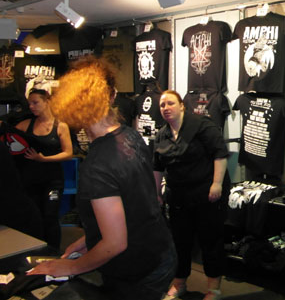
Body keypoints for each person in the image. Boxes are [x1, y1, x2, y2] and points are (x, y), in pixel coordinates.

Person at [27, 57, 176, 300]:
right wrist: (91, 238)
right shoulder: (130, 136)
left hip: (138, 269)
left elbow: (115, 243)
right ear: (113, 94)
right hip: (160, 252)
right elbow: (134, 205)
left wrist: (71, 267)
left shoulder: (97, 164)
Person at [154, 90, 230, 300]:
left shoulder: (202, 125)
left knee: (210, 241)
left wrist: (216, 184)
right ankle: (179, 283)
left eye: (170, 103)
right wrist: (156, 193)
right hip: (178, 197)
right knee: (179, 241)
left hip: (207, 194)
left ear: (181, 106)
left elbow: (220, 154)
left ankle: (213, 289)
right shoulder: (162, 135)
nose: (166, 108)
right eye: (162, 105)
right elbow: (157, 167)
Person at [14, 88, 73, 249]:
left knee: (50, 215)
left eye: (35, 103)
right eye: (29, 104)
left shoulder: (60, 126)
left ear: (47, 102)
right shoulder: (26, 124)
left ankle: (53, 251)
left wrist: (43, 159)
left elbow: (68, 153)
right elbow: (8, 135)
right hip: (30, 180)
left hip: (52, 180)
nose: (31, 107)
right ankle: (35, 249)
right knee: (34, 216)